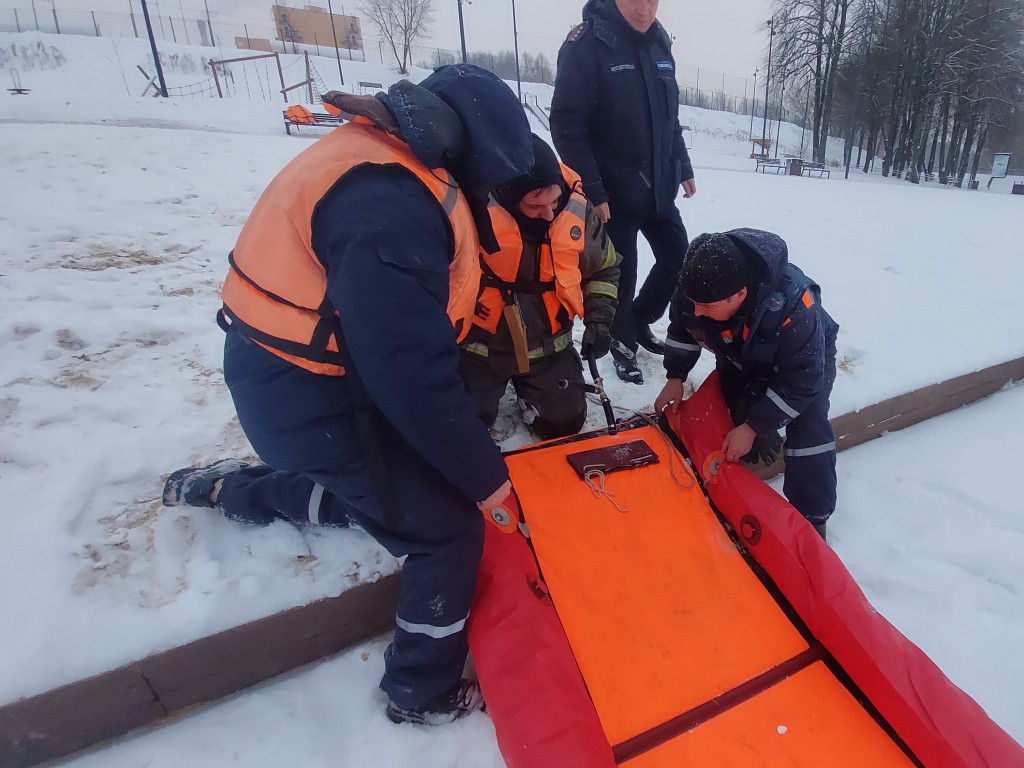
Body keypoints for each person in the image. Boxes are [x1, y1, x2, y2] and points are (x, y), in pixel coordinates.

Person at [161, 65, 535, 726]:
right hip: (307, 395)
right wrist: (488, 482)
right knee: (447, 530)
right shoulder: (389, 206)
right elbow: (408, 374)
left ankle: (223, 491)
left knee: (397, 493)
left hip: (310, 382)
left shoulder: (392, 161)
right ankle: (418, 692)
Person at [654, 229, 839, 539]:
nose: (697, 311)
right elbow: (684, 328)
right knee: (738, 426)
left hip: (804, 363)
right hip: (740, 354)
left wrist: (755, 426)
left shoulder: (795, 307)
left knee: (809, 425)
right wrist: (676, 376)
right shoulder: (699, 287)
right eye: (693, 303)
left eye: (706, 307)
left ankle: (813, 520)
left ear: (738, 295)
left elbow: (803, 382)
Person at [550, 0, 696, 386]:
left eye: (652, 0)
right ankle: (621, 341)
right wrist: (593, 189)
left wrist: (683, 165)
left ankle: (640, 318)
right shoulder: (586, 46)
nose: (643, 9)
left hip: (659, 188)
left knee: (678, 258)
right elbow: (568, 126)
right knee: (621, 273)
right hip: (612, 195)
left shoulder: (660, 43)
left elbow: (670, 119)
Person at [459, 134, 620, 440]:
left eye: (555, 202)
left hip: (548, 346)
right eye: (535, 206)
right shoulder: (468, 211)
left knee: (563, 424)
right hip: (480, 347)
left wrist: (599, 319)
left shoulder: (577, 212)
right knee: (464, 431)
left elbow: (604, 269)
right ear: (508, 198)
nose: (549, 215)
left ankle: (532, 392)